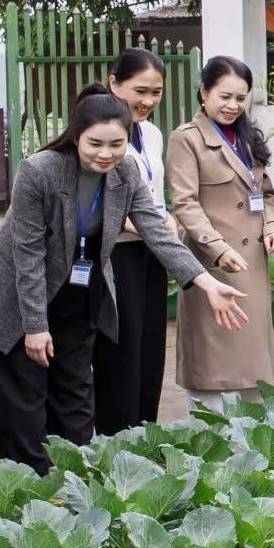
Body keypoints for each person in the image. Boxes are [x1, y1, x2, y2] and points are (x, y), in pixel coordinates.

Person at [0, 91, 247, 469]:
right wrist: (34, 326)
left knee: (77, 400)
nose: (106, 154)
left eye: (117, 144)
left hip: (78, 295)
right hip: (15, 298)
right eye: (95, 143)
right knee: (23, 409)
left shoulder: (126, 171)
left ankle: (76, 487)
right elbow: (28, 254)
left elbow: (156, 231)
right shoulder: (40, 170)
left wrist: (206, 282)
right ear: (76, 135)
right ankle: (23, 498)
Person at [165, 56, 274, 407]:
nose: (233, 105)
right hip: (211, 267)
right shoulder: (186, 139)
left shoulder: (248, 138)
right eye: (224, 96)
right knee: (212, 368)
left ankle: (253, 448)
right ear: (204, 92)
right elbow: (186, 204)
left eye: (240, 98)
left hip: (253, 264)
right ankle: (210, 447)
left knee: (254, 373)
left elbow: (267, 194)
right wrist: (218, 248)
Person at [91, 50, 172, 435]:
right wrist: (139, 222)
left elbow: (153, 193)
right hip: (114, 253)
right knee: (119, 351)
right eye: (139, 90)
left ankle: (145, 435)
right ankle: (115, 439)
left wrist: (163, 217)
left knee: (149, 348)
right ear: (113, 84)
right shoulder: (98, 135)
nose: (147, 101)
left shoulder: (152, 134)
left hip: (149, 251)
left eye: (156, 92)